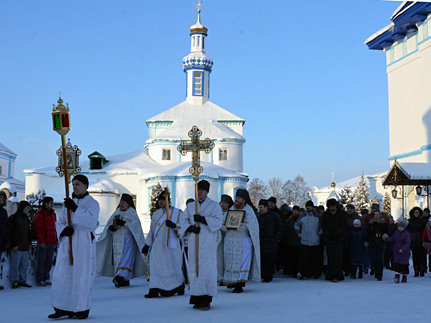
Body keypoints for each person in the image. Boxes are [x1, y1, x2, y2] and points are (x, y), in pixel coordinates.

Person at [49, 175, 99, 320]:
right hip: (68, 241)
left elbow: (90, 222)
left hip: (83, 242)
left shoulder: (93, 203)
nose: (75, 187)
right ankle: (62, 307)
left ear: (86, 186)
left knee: (80, 275)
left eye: (77, 184)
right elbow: (60, 221)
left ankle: (81, 308)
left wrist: (76, 209)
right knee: (63, 274)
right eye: (73, 184)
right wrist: (64, 230)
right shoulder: (69, 203)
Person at [179, 180, 223, 311]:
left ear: (207, 191)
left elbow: (218, 221)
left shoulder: (214, 205)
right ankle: (197, 297)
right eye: (198, 190)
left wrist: (203, 220)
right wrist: (191, 228)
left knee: (207, 270)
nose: (200, 192)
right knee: (195, 269)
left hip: (208, 243)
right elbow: (183, 220)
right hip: (194, 242)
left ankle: (206, 299)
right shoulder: (191, 206)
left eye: (202, 190)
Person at [97, 193, 146, 288]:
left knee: (126, 258)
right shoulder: (116, 212)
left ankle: (121, 276)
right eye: (121, 202)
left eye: (124, 202)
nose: (122, 204)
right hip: (116, 241)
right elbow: (108, 225)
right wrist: (110, 229)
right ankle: (122, 278)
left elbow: (136, 227)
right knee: (117, 259)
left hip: (128, 240)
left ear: (129, 204)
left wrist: (124, 223)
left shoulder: (132, 213)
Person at [142, 190, 184, 298]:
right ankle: (154, 288)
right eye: (159, 200)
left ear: (168, 200)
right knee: (156, 265)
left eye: (163, 200)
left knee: (172, 265)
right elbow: (152, 231)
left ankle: (178, 286)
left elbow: (184, 228)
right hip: (158, 246)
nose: (160, 202)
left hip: (171, 246)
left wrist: (174, 226)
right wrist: (147, 245)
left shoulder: (178, 213)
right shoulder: (156, 214)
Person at [221, 189, 260, 292]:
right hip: (229, 240)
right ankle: (231, 281)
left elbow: (253, 226)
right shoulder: (231, 209)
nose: (236, 200)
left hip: (242, 240)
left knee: (242, 262)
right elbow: (223, 221)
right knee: (229, 261)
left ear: (244, 200)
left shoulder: (248, 210)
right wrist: (223, 227)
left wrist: (244, 226)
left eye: (239, 198)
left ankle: (239, 283)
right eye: (236, 198)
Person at [321, 199, 347, 282]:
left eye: (333, 206)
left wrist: (336, 233)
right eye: (330, 207)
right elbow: (324, 226)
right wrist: (329, 234)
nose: (332, 208)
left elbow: (343, 226)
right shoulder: (325, 214)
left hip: (339, 238)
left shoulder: (342, 214)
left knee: (338, 257)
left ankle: (338, 275)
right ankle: (331, 274)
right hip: (329, 238)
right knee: (330, 257)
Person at [294, 200, 322, 280]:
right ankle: (303, 273)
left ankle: (315, 273)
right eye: (307, 206)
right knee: (303, 259)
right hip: (304, 241)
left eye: (310, 206)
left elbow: (322, 227)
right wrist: (298, 233)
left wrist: (319, 236)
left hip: (315, 241)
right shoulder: (302, 216)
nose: (308, 208)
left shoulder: (317, 216)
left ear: (312, 207)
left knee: (314, 259)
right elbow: (296, 225)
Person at [34, 196, 57, 287]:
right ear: (46, 204)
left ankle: (46, 277)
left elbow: (54, 228)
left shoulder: (52, 214)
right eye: (51, 203)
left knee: (48, 261)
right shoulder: (41, 215)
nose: (52, 205)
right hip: (44, 241)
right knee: (41, 261)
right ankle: (40, 279)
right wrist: (41, 241)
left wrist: (55, 239)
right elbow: (38, 229)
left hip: (51, 241)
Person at [9, 200, 32, 289]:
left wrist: (29, 243)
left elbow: (28, 232)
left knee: (24, 265)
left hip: (25, 246)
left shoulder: (26, 219)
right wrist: (14, 244)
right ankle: (15, 281)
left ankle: (23, 280)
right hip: (16, 246)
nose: (28, 210)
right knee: (15, 265)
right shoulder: (13, 218)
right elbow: (11, 232)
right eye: (27, 208)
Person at [257, 199, 282, 282]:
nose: (260, 209)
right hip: (262, 242)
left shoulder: (274, 216)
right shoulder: (258, 217)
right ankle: (264, 275)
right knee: (263, 260)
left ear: (266, 207)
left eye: (261, 207)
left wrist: (276, 238)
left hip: (271, 242)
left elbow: (280, 228)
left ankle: (268, 276)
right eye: (259, 207)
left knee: (270, 261)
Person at [367, 210, 388, 281]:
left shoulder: (383, 223)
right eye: (375, 214)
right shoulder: (371, 224)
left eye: (377, 214)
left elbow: (386, 231)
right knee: (374, 259)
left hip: (381, 242)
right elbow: (368, 233)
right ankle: (375, 270)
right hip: (372, 242)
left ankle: (379, 274)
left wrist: (385, 236)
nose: (376, 216)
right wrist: (367, 241)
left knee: (380, 259)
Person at [280, 205, 301, 277]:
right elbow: (285, 231)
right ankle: (290, 271)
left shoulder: (301, 219)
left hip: (298, 242)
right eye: (294, 210)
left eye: (296, 210)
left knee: (297, 258)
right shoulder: (289, 220)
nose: (295, 212)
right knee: (290, 258)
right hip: (290, 242)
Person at [217, 194, 233, 283]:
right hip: (218, 240)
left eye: (225, 203)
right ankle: (219, 276)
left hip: (227, 239)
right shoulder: (217, 213)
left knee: (226, 258)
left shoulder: (230, 213)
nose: (222, 205)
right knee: (219, 258)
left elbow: (228, 227)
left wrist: (219, 225)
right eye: (221, 203)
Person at [407, 206, 427, 277]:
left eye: (417, 212)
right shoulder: (409, 221)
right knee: (415, 257)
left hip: (421, 241)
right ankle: (416, 270)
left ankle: (422, 270)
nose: (416, 213)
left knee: (422, 257)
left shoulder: (423, 221)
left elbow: (426, 231)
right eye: (415, 212)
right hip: (413, 241)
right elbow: (407, 231)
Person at [0, 191, 8, 290]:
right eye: (0, 197)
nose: (2, 199)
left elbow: (6, 227)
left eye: (3, 198)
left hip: (1, 241)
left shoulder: (4, 211)